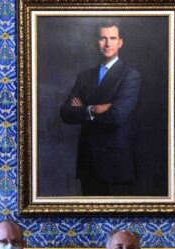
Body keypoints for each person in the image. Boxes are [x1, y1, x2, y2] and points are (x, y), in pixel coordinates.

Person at [59, 20, 141, 196]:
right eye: (103, 38)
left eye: (112, 38)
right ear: (96, 41)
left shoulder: (130, 76)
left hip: (116, 166)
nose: (107, 43)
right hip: (88, 163)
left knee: (117, 223)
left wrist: (82, 112)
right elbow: (65, 113)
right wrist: (94, 109)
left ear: (120, 42)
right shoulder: (84, 77)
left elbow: (117, 116)